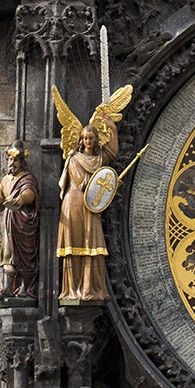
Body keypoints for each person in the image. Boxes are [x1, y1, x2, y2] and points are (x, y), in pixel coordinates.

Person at [57, 119, 118, 304]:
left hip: (91, 205)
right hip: (75, 201)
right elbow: (84, 182)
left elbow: (112, 152)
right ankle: (72, 289)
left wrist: (113, 130)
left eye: (91, 138)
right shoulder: (74, 159)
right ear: (81, 140)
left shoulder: (98, 159)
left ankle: (90, 287)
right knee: (74, 244)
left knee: (92, 245)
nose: (88, 141)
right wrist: (107, 185)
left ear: (96, 139)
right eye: (85, 138)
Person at [0, 141, 40, 302]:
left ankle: (25, 287)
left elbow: (30, 193)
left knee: (24, 256)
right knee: (8, 256)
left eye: (15, 160)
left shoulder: (26, 178)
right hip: (8, 223)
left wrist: (21, 198)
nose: (12, 163)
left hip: (23, 224)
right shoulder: (5, 180)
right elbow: (1, 205)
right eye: (9, 160)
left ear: (22, 162)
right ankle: (8, 287)